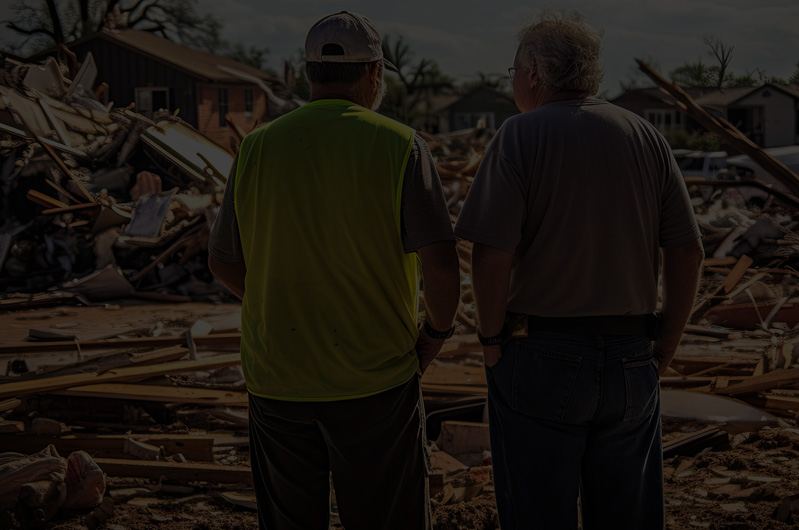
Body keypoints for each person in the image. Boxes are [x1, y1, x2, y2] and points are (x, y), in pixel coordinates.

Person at [207, 11, 460, 530]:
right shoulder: (400, 145)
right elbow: (440, 265)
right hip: (376, 381)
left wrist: (277, 305)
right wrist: (434, 334)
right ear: (374, 75)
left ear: (309, 74)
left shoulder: (256, 147)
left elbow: (223, 260)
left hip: (278, 380)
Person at [454, 10, 704, 530]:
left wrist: (492, 339)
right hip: (632, 357)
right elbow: (687, 252)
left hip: (540, 353)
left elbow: (490, 254)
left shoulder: (519, 136)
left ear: (534, 76)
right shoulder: (644, 135)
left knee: (537, 512)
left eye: (513, 73)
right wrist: (666, 347)